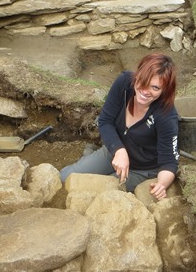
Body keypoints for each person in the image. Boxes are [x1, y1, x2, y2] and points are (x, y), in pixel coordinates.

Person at [60, 53, 180, 201]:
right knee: (66, 177)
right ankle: (90, 156)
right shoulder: (124, 83)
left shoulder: (166, 116)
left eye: (155, 87)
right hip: (114, 152)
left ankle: (89, 155)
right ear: (137, 75)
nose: (145, 91)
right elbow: (105, 120)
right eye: (143, 81)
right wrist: (119, 150)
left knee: (99, 192)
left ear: (165, 90)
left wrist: (162, 184)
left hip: (140, 168)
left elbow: (169, 162)